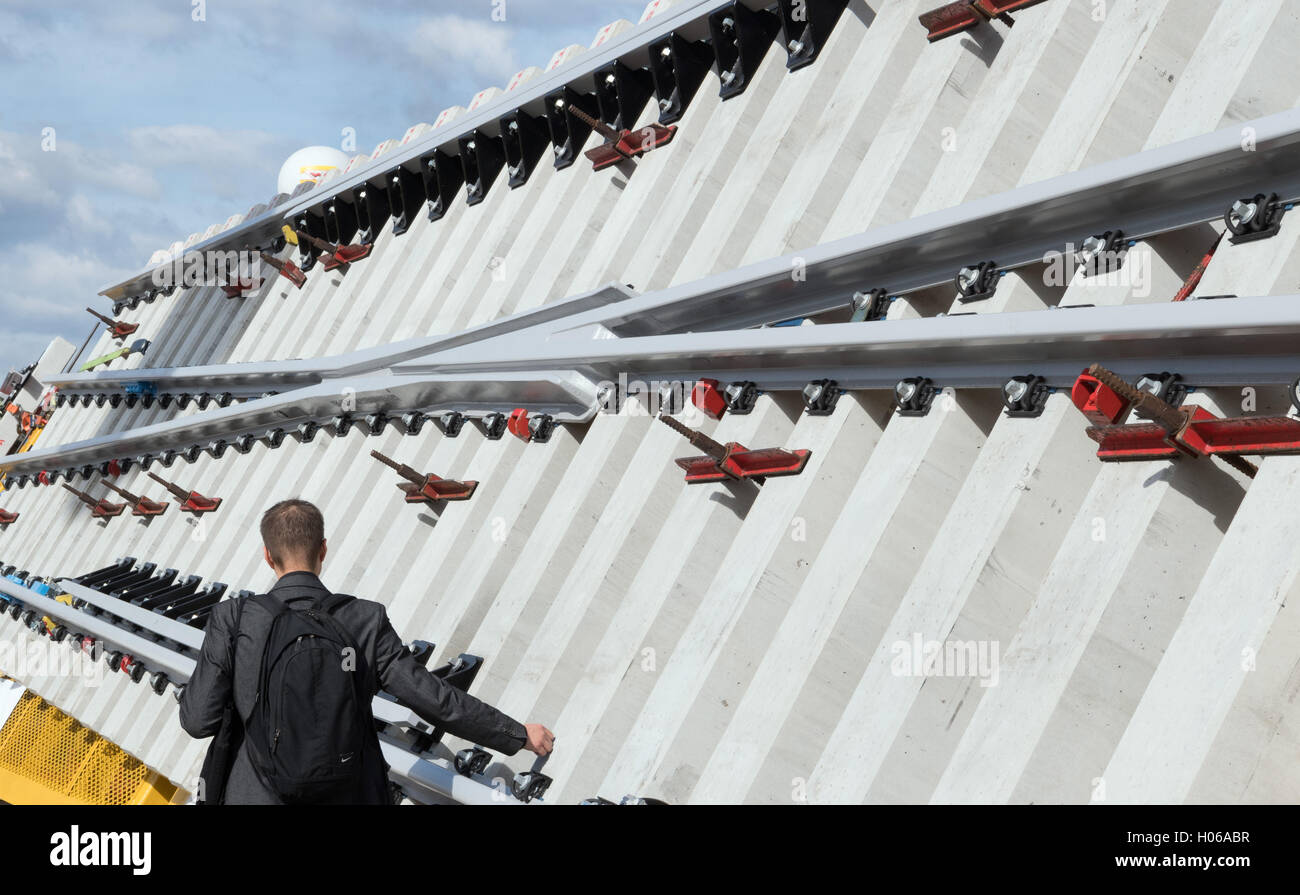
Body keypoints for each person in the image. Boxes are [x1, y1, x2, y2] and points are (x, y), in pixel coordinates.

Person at [179, 498, 554, 804]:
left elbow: (198, 721)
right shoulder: (362, 618)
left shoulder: (236, 618)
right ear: (323, 549)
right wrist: (517, 734)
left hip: (255, 795)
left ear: (267, 555)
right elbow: (434, 699)